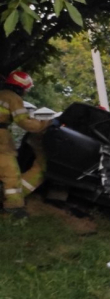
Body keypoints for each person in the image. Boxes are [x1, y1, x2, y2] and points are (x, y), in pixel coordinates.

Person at [0, 71, 52, 218]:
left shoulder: (1, 94)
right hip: (1, 141)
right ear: (21, 86)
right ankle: (13, 209)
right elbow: (25, 122)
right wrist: (46, 123)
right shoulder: (12, 98)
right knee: (11, 174)